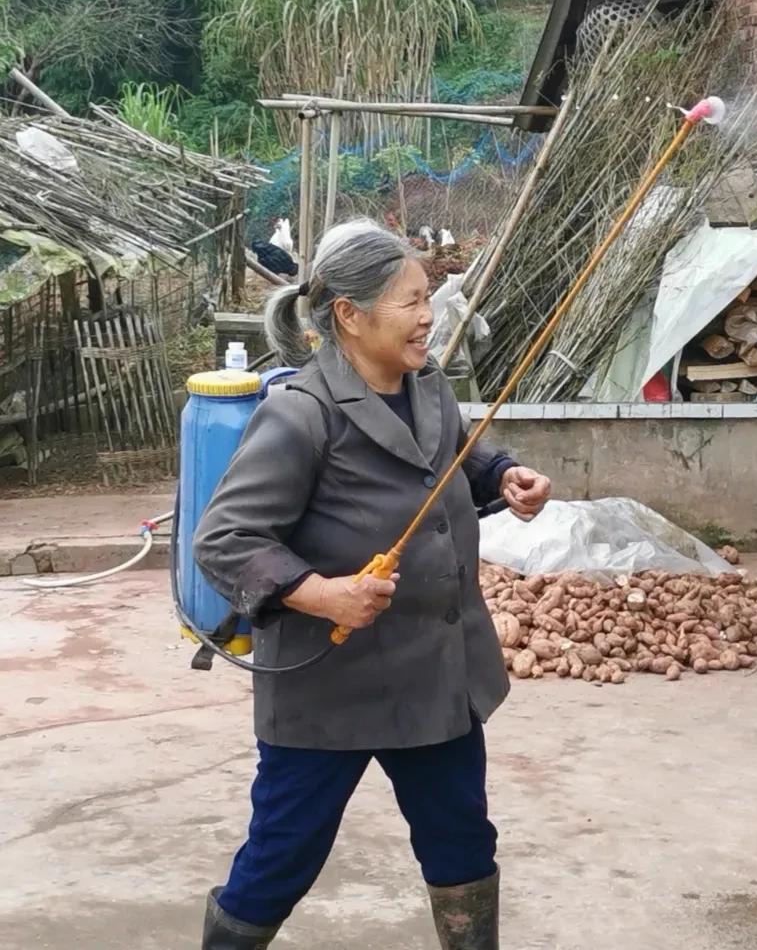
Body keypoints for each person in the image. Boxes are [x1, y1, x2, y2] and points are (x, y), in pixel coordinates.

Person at [193, 219, 551, 950]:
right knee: (282, 857)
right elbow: (224, 540)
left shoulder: (430, 389)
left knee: (462, 845)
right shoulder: (301, 414)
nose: (429, 316)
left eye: (428, 297)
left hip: (435, 677)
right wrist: (320, 593)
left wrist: (501, 475)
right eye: (410, 302)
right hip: (333, 687)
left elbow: (450, 459)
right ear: (349, 317)